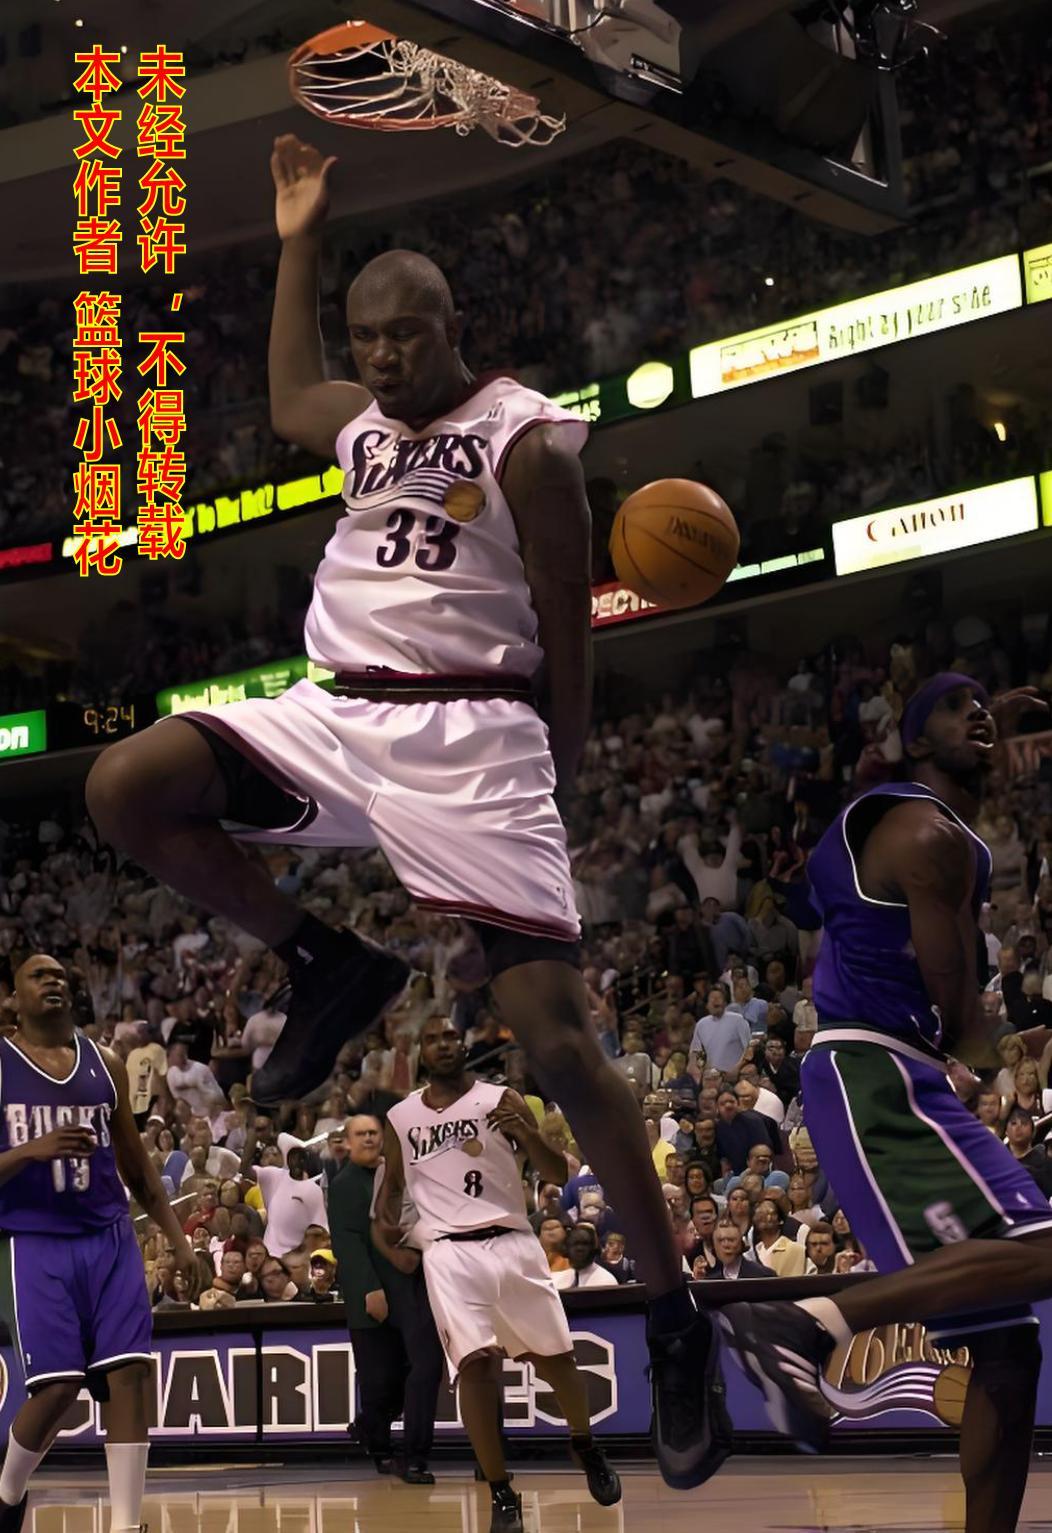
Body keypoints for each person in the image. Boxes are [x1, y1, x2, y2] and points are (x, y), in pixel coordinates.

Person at [84, 132, 725, 1494]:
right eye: (365, 337)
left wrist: (560, 763)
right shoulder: (361, 424)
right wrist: (298, 236)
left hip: (474, 734)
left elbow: (565, 619)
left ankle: (675, 1317)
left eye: (402, 336)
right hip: (335, 711)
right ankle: (324, 959)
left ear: (450, 327)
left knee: (558, 1044)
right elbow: (285, 393)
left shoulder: (525, 438)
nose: (378, 358)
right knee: (123, 785)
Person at [719, 676, 1052, 1533]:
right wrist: (1017, 1052)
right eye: (953, 705)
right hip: (877, 1072)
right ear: (914, 741)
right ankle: (802, 1322)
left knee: (1008, 1347)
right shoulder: (926, 835)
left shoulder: (930, 827)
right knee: (1046, 1250)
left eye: (982, 703)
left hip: (894, 1067)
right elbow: (966, 1019)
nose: (976, 712)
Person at [375, 1017, 622, 1532]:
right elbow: (390, 1191)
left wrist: (527, 1133)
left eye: (450, 1036)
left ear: (464, 1046)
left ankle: (584, 1444)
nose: (443, 1044)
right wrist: (388, 1239)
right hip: (449, 1253)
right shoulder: (401, 1116)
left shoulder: (500, 1098)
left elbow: (554, 1173)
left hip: (512, 1241)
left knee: (557, 1360)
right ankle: (501, 1491)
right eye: (432, 1039)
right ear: (421, 1053)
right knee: (477, 1366)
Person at [0, 956, 193, 1533]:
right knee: (59, 1387)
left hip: (109, 1234)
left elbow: (136, 1165)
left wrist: (178, 1240)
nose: (53, 981)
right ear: (13, 998)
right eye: (39, 975)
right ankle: (7, 1490)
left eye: (60, 975)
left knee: (129, 1374)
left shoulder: (105, 1063)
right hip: (35, 1240)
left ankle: (125, 1525)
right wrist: (30, 1151)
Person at [327, 1114, 443, 1482]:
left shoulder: (396, 1174)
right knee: (380, 1380)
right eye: (360, 1134)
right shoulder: (345, 1184)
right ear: (347, 1142)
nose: (368, 1139)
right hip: (372, 1291)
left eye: (373, 1133)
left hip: (406, 1286)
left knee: (411, 1370)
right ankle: (379, 1447)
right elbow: (347, 1242)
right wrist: (368, 1288)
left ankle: (375, 1433)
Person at [238, 1123, 328, 1256]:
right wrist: (252, 1137)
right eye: (292, 1156)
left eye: (299, 1156)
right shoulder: (274, 1175)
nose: (295, 1161)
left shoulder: (313, 1190)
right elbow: (244, 1169)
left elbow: (321, 1228)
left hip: (298, 1256)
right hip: (270, 1254)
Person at [552, 1224, 619, 1290]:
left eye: (585, 1244)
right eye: (575, 1244)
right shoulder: (556, 1280)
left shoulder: (607, 1281)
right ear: (566, 1248)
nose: (579, 1248)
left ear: (594, 1248)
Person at [703, 1221, 772, 1281]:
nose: (726, 1245)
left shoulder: (764, 1276)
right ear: (714, 1246)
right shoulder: (709, 1281)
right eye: (720, 1240)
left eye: (731, 1240)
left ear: (741, 1244)